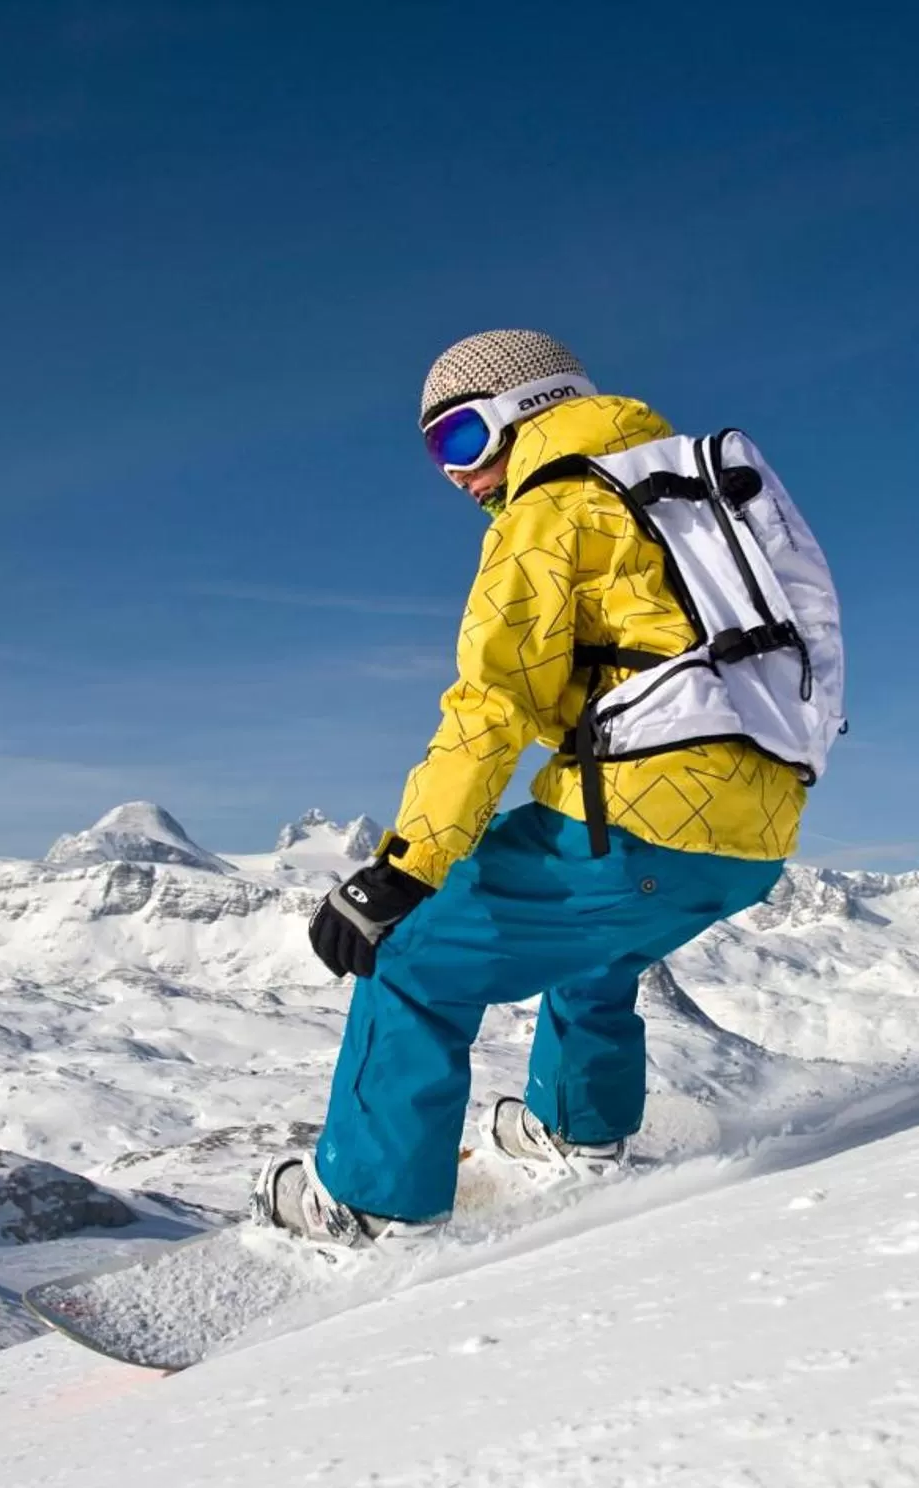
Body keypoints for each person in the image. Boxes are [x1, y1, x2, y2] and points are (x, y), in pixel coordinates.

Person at [251, 329, 818, 1244]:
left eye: (460, 439)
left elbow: (490, 706)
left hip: (640, 813)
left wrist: (403, 870)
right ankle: (579, 1131)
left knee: (408, 957)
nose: (455, 475)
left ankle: (369, 1206)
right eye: (435, 454)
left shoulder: (551, 508)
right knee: (595, 943)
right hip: (754, 834)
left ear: (527, 409)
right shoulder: (682, 496)